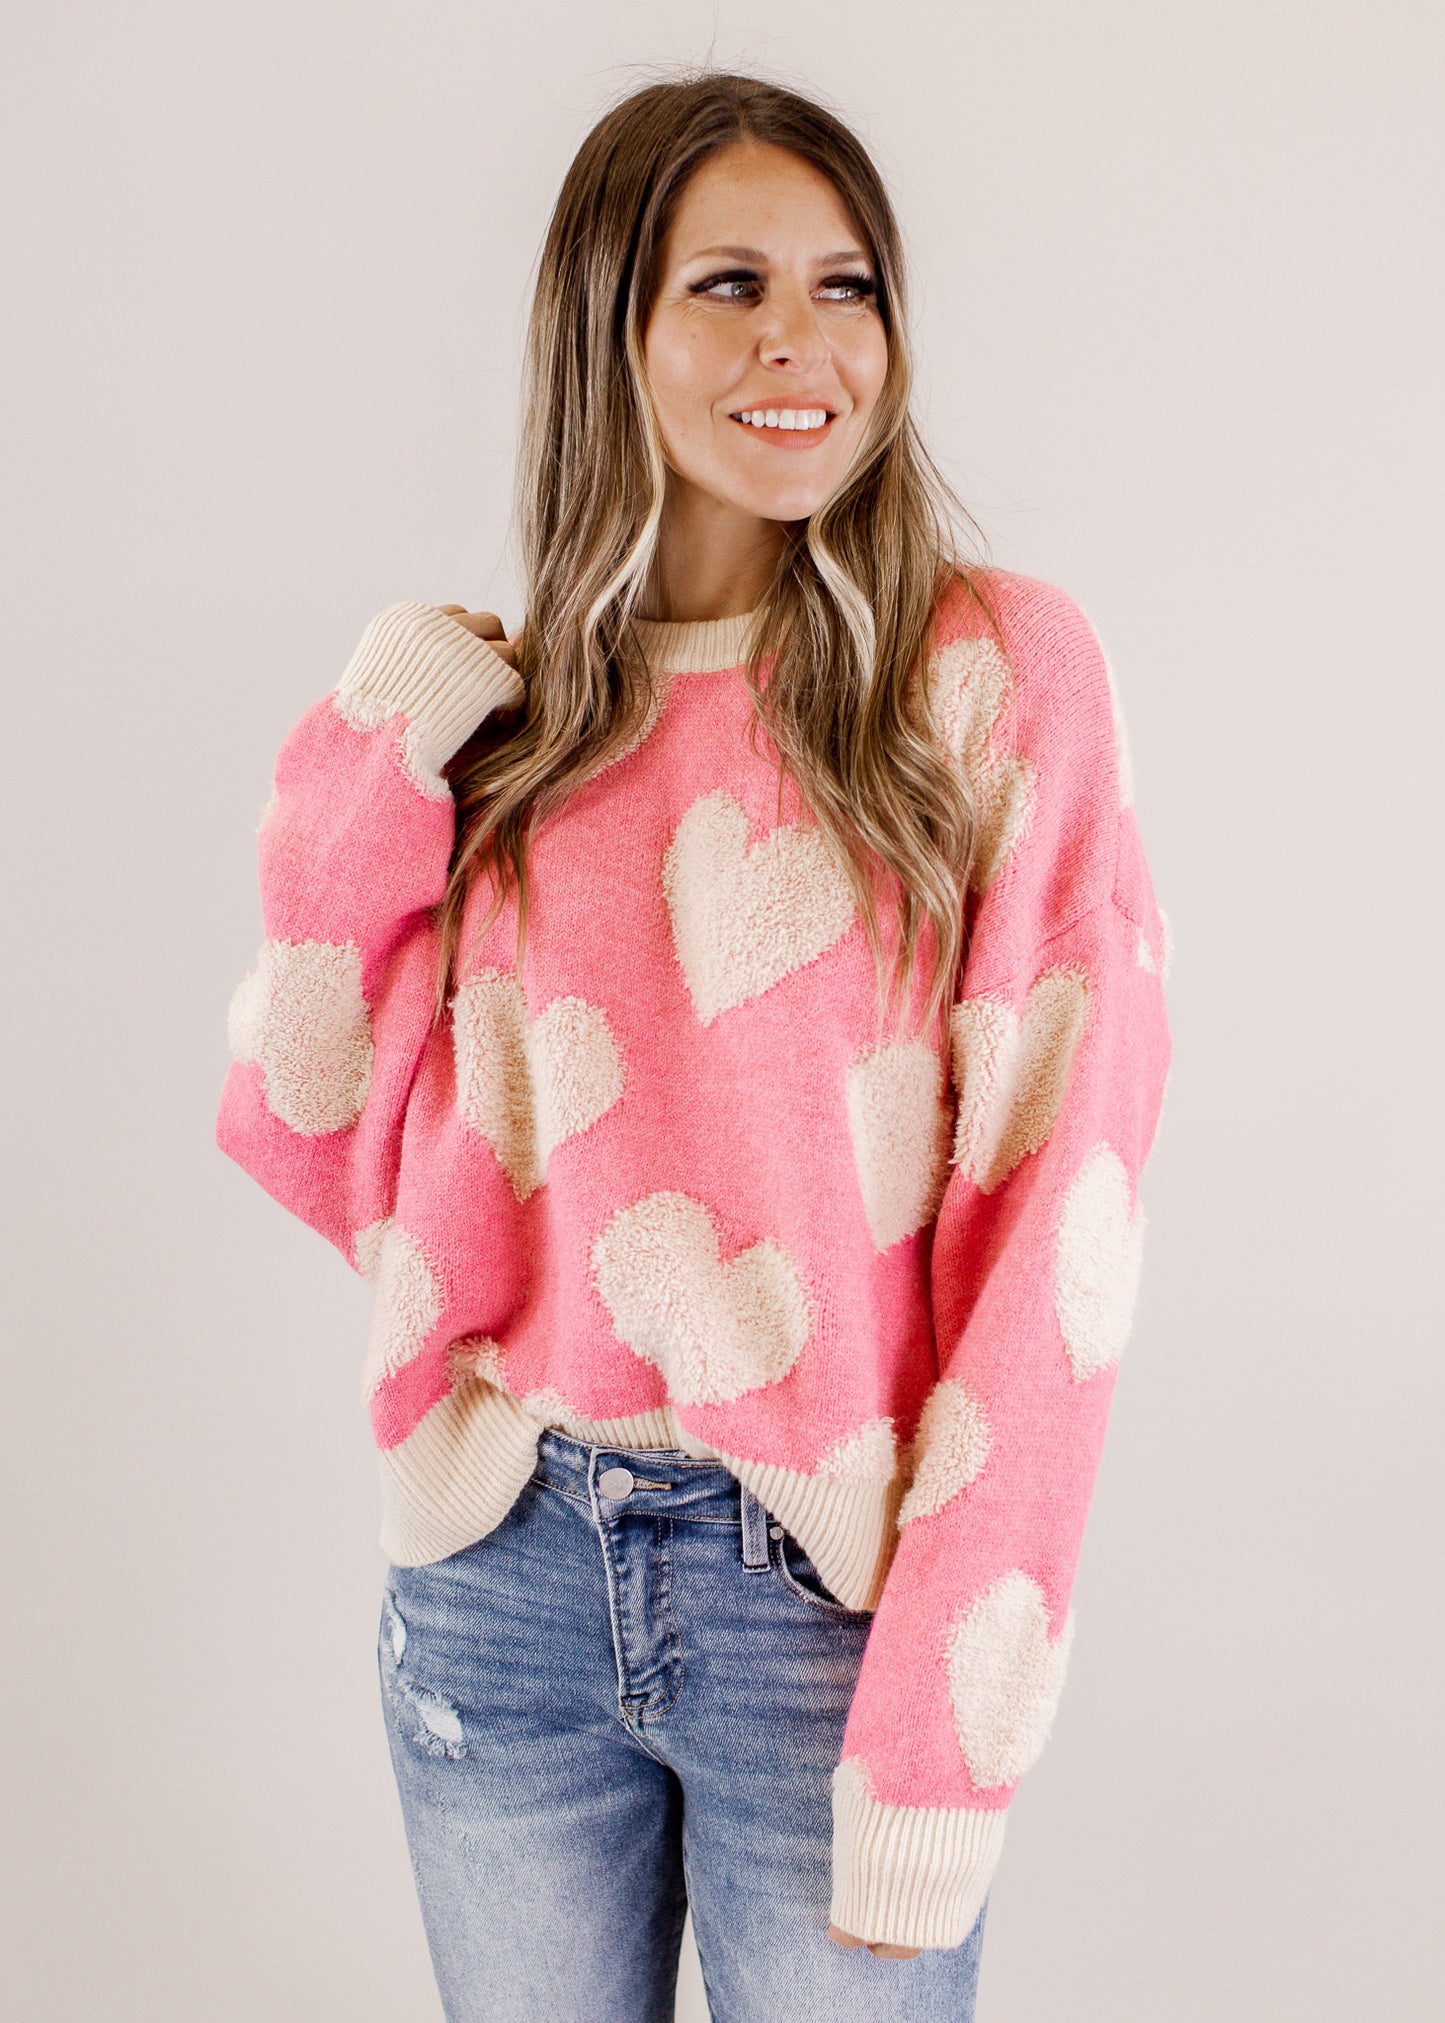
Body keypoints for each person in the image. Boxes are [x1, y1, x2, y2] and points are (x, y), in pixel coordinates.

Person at [217, 69, 1171, 2023]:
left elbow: (1055, 1241)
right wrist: (385, 729)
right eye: (729, 284)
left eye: (847, 286)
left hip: (818, 1611)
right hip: (497, 1583)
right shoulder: (512, 732)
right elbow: (313, 1119)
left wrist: (941, 1743)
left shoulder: (987, 680)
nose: (800, 342)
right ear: (611, 329)